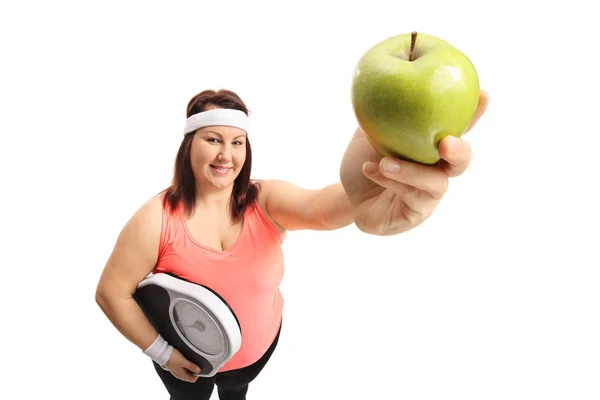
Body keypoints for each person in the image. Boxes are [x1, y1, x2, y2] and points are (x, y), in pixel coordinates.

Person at [95, 88, 489, 400]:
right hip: (186, 359)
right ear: (189, 145)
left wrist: (367, 186)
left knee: (237, 392)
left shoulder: (264, 200)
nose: (226, 155)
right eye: (213, 139)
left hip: (256, 352)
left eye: (237, 143)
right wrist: (164, 354)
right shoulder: (156, 218)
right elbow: (112, 293)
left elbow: (321, 208)